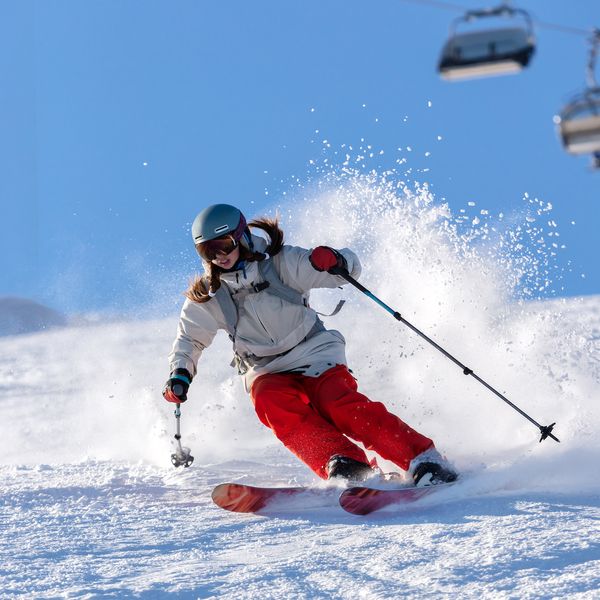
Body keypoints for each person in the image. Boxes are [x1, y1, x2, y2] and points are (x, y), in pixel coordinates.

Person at [163, 203, 458, 486]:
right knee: (271, 403)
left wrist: (334, 261)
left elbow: (348, 269)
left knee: (337, 403)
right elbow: (189, 338)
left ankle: (422, 459)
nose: (219, 256)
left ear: (241, 237)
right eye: (208, 250)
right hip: (264, 367)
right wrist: (180, 372)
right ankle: (344, 462)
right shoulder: (209, 294)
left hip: (313, 351)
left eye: (224, 244)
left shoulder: (280, 263)